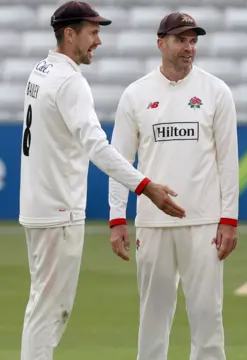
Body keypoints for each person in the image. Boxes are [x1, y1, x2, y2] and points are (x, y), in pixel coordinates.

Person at [19, 2, 185, 359]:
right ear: (69, 34)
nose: (99, 41)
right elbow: (97, 146)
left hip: (38, 206)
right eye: (92, 33)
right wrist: (146, 186)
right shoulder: (69, 81)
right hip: (58, 210)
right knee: (51, 312)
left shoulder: (41, 70)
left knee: (42, 308)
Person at [107, 12, 239, 360]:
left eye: (193, 40)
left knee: (208, 319)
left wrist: (229, 219)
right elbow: (120, 161)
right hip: (152, 223)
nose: (189, 47)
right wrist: (117, 217)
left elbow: (228, 162)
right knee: (153, 319)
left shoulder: (216, 91)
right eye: (181, 40)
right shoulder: (136, 94)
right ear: (161, 43)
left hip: (204, 222)